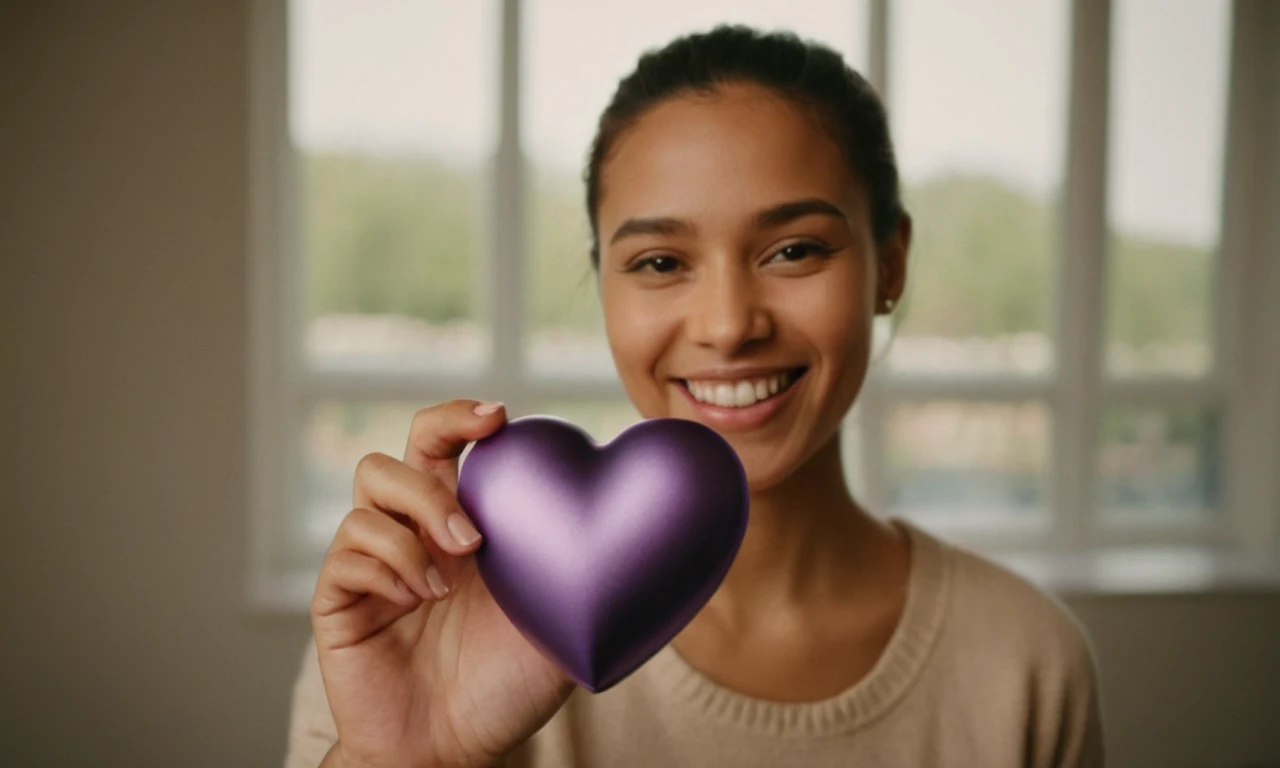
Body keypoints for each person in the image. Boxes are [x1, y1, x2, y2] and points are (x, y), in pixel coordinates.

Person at [285, 25, 1104, 768]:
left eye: (793, 250)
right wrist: (409, 759)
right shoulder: (421, 626)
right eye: (660, 263)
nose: (727, 325)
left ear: (890, 265)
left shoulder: (1024, 665)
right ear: (602, 281)